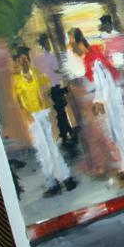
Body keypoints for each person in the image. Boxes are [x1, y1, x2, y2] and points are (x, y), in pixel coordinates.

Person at [69, 28, 124, 182]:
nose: (71, 47)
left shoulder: (93, 59)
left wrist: (99, 101)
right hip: (109, 99)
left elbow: (104, 82)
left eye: (71, 43)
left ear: (78, 41)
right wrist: (100, 100)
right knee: (116, 134)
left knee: (121, 133)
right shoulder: (91, 57)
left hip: (112, 100)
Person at [11, 46, 75, 196]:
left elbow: (47, 86)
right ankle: (52, 182)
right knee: (42, 149)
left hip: (43, 113)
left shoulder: (38, 74)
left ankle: (65, 178)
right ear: (18, 62)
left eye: (25, 58)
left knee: (52, 145)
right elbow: (18, 102)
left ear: (28, 59)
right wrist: (27, 116)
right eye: (21, 60)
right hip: (32, 117)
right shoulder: (17, 80)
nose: (24, 61)